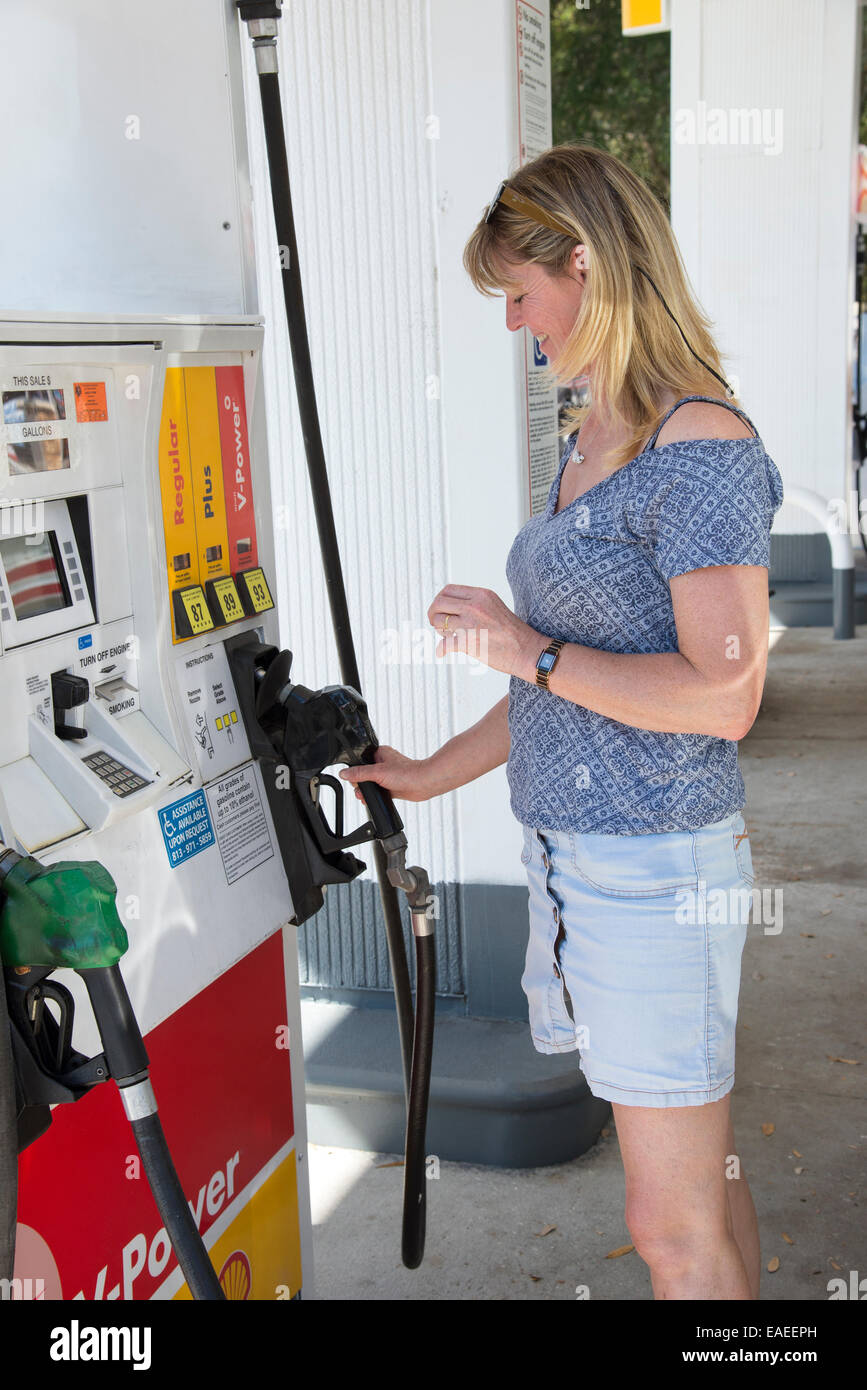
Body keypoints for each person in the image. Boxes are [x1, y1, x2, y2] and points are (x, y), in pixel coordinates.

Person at [340, 143, 784, 1301]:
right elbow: (562, 684)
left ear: (585, 263)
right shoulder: (592, 441)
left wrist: (522, 642)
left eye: (520, 294)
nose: (514, 324)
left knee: (669, 1228)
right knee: (704, 1192)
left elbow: (725, 694)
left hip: (653, 869)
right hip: (580, 865)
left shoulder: (703, 445)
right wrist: (431, 773)